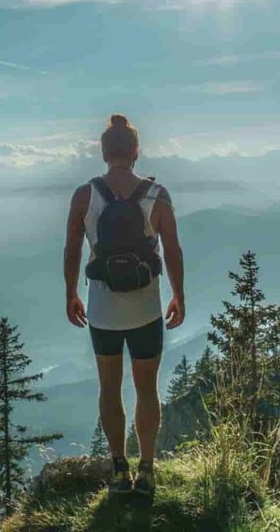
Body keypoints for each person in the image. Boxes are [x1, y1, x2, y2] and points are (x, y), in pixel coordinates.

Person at [63, 114, 185, 499]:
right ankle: (146, 470)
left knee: (109, 389)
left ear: (103, 152)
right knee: (146, 389)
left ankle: (119, 470)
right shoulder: (157, 195)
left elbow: (72, 248)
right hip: (146, 309)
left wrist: (71, 293)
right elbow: (173, 249)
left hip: (103, 310)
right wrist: (178, 295)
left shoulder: (86, 195)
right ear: (136, 151)